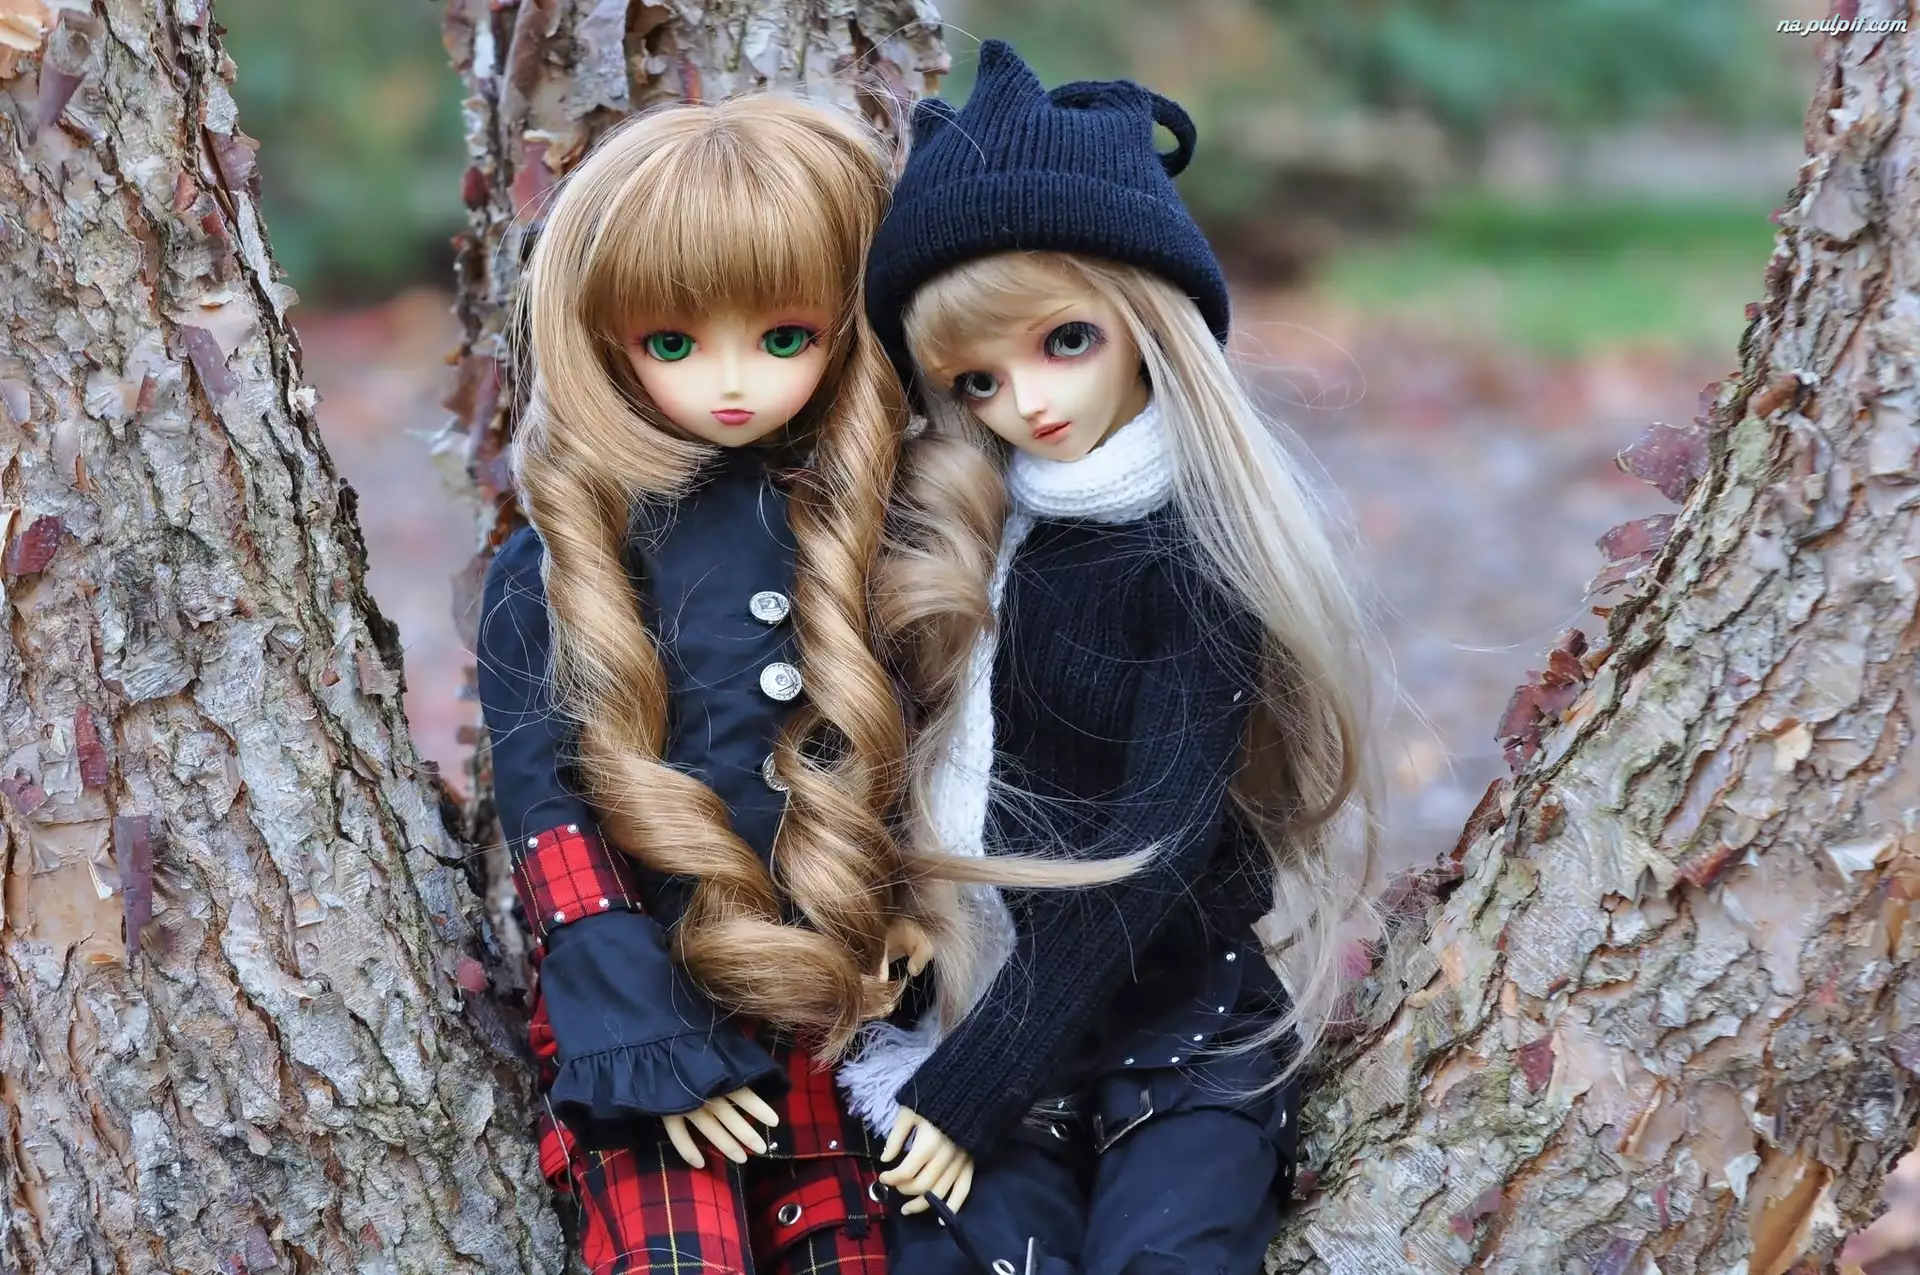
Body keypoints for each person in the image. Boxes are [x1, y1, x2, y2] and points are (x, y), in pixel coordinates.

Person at [837, 40, 1379, 1274]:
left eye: (1065, 341)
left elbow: (1150, 855)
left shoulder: (1195, 554)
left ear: (1146, 321)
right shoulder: (983, 531)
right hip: (991, 1009)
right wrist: (924, 912)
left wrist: (975, 1082)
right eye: (978, 379)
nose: (1028, 401)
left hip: (1170, 1021)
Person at [476, 95, 923, 1275]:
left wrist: (925, 905)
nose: (733, 383)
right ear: (606, 340)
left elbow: (941, 732)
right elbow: (548, 813)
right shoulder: (567, 559)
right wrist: (635, 1020)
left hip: (840, 1010)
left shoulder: (879, 531)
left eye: (785, 337)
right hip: (652, 997)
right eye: (672, 344)